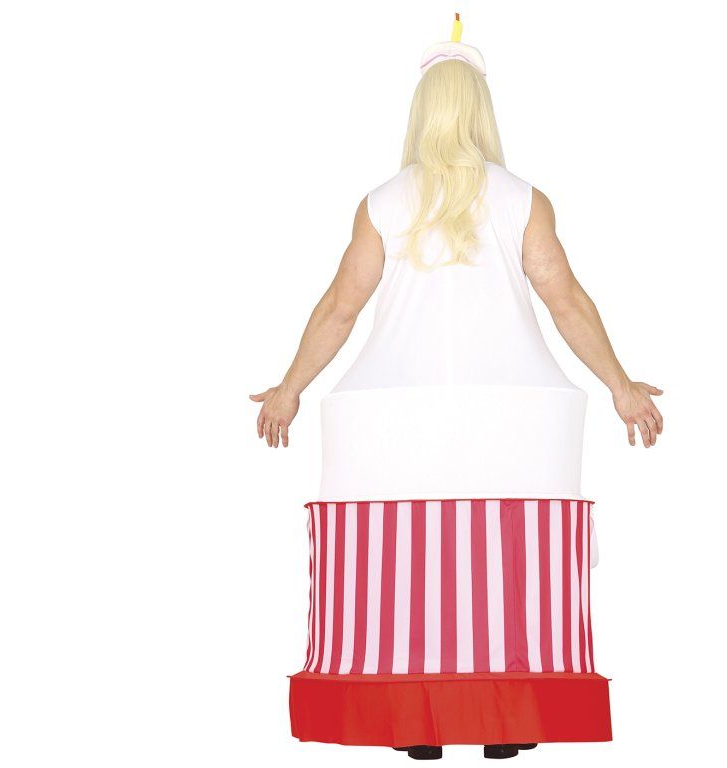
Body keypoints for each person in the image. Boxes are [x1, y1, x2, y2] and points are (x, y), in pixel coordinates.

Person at [250, 16, 663, 761]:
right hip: (516, 419)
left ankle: (417, 726)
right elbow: (565, 300)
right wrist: (619, 386)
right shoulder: (522, 200)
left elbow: (340, 307)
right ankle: (506, 722)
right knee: (511, 570)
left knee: (406, 573)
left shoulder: (384, 203)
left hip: (391, 419)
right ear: (482, 111)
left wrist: (290, 388)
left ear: (421, 112)